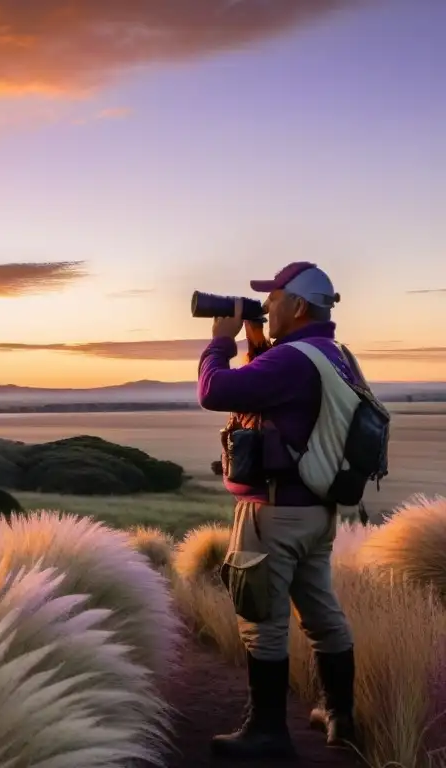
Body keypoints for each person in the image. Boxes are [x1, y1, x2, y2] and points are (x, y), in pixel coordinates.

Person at [197, 261, 359, 760]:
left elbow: (215, 392)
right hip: (315, 511)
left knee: (261, 619)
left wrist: (221, 343)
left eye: (273, 298)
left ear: (298, 305)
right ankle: (339, 715)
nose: (266, 306)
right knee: (321, 613)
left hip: (273, 512)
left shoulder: (292, 361)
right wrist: (255, 345)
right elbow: (281, 399)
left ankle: (266, 732)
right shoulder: (332, 354)